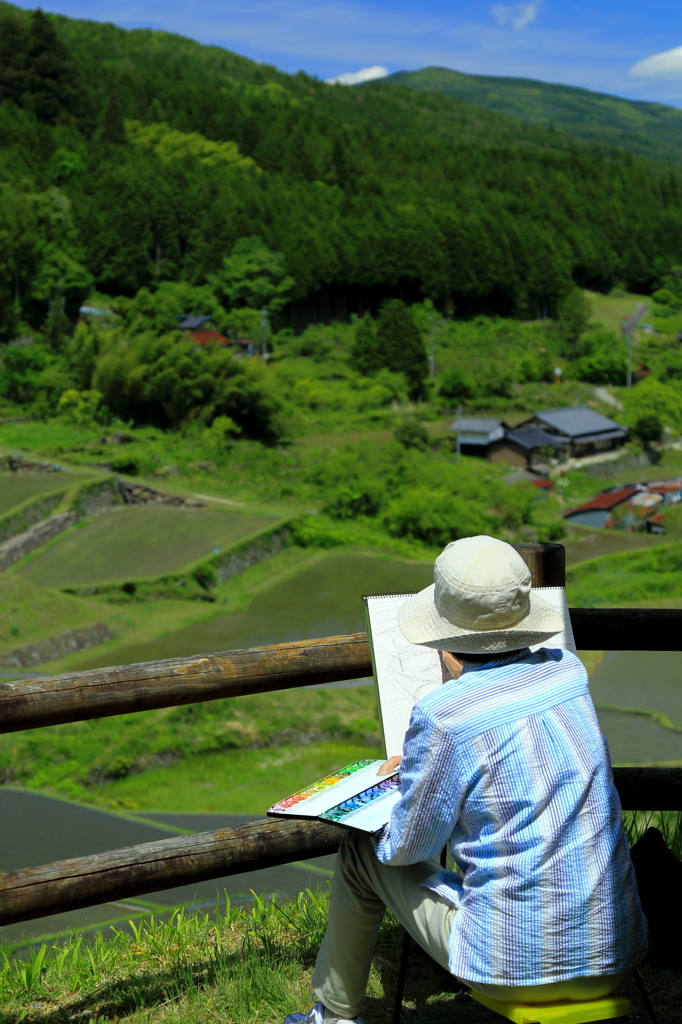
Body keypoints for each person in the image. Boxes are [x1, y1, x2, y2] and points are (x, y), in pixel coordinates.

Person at [285, 535, 647, 1024]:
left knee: (362, 851)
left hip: (510, 968)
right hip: (616, 954)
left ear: (445, 644)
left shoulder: (444, 716)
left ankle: (332, 1016)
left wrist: (416, 782)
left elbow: (405, 850)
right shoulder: (570, 674)